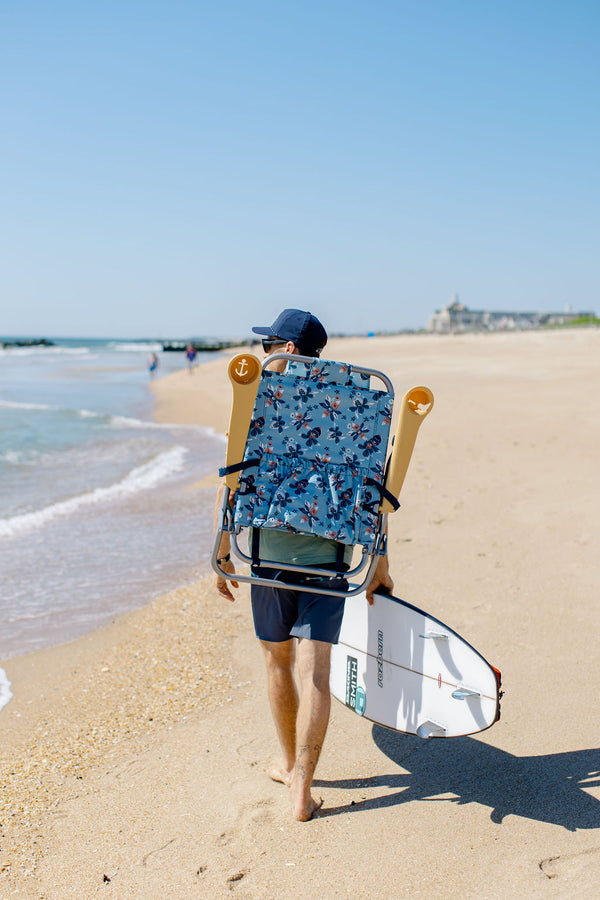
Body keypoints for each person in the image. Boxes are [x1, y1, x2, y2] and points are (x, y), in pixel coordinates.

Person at [214, 309, 393, 821]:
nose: (265, 352)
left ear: (288, 351)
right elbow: (373, 488)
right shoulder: (354, 406)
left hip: (268, 553)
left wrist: (221, 548)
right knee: (317, 675)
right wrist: (380, 556)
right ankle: (302, 787)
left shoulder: (262, 402)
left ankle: (288, 762)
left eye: (270, 344)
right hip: (332, 559)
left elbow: (233, 476)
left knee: (278, 662)